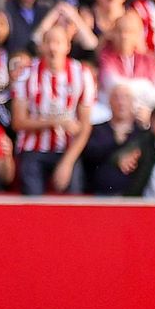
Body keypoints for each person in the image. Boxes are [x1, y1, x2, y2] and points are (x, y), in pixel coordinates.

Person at [10, 25, 95, 194]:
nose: (53, 47)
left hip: (67, 149)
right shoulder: (26, 74)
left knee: (73, 202)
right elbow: (18, 122)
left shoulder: (82, 75)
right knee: (33, 203)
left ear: (67, 46)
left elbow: (84, 127)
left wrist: (67, 163)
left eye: (58, 42)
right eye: (48, 42)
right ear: (41, 46)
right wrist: (56, 121)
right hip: (33, 149)